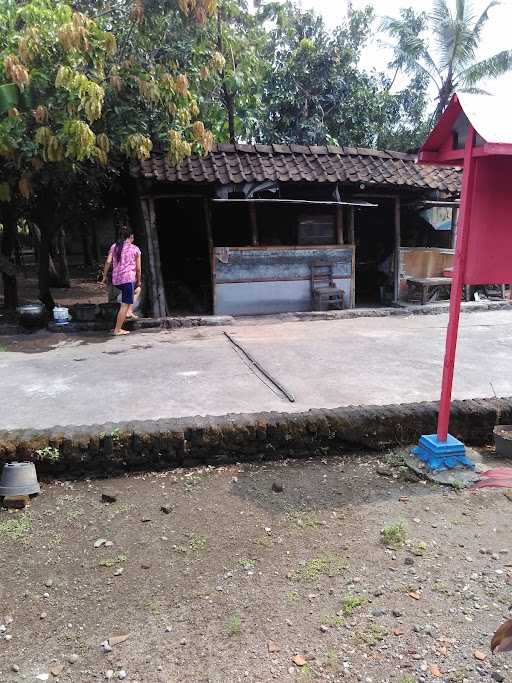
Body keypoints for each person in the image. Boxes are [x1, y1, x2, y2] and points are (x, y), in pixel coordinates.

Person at [101, 226, 142, 336]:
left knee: (136, 291)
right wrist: (139, 280)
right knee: (125, 303)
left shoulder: (114, 246)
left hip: (117, 280)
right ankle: (117, 330)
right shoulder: (135, 249)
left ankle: (129, 312)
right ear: (131, 236)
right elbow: (138, 269)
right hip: (128, 279)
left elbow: (108, 261)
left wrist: (104, 276)